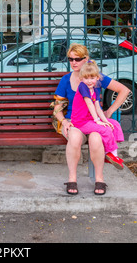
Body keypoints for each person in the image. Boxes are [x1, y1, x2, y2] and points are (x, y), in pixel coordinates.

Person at [53, 43, 129, 196]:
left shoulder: (95, 77)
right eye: (70, 59)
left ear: (86, 59)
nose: (73, 62)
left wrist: (109, 111)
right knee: (74, 137)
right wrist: (65, 122)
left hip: (93, 122)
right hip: (74, 122)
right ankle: (72, 179)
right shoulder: (66, 80)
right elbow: (57, 108)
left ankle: (99, 179)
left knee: (95, 138)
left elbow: (124, 90)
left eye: (77, 59)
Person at [71, 60, 124, 170]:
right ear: (81, 79)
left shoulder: (94, 89)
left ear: (97, 78)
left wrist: (104, 120)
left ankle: (111, 154)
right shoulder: (83, 87)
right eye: (86, 78)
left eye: (92, 78)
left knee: (114, 124)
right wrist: (97, 120)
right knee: (105, 130)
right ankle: (110, 154)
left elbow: (97, 106)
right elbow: (89, 103)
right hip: (81, 122)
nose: (89, 81)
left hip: (90, 119)